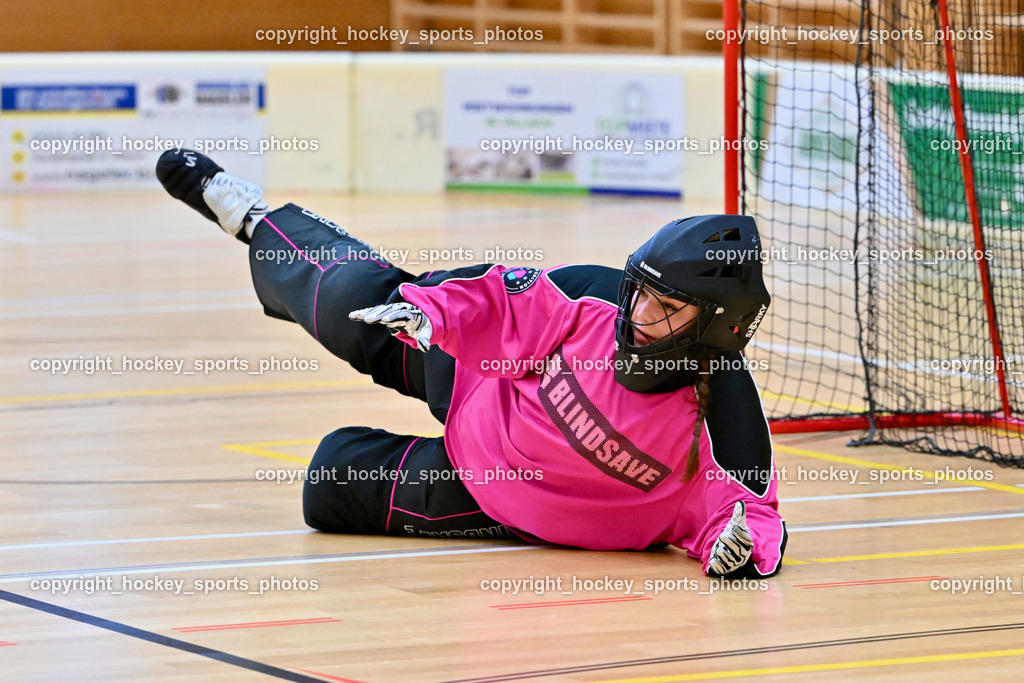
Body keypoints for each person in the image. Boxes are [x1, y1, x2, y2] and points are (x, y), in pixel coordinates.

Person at [156, 149, 787, 578]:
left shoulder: (726, 424)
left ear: (715, 327)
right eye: (638, 291)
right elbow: (506, 299)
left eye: (665, 306)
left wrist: (741, 552)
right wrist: (433, 311)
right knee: (355, 303)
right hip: (483, 378)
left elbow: (753, 518)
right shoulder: (596, 298)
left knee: (327, 486)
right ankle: (253, 217)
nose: (637, 314)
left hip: (496, 501)